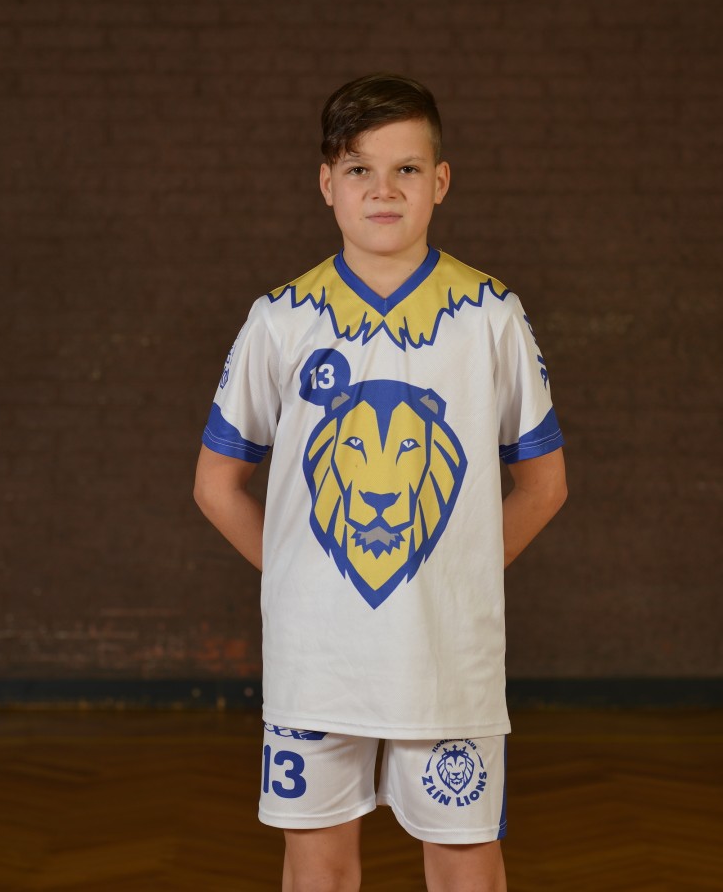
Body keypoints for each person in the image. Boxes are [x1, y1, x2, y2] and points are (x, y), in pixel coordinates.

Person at [194, 73, 567, 892]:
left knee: (465, 866)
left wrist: (459, 575)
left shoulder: (490, 316)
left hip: (448, 658)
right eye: (360, 169)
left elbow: (544, 485)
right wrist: (300, 580)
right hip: (316, 659)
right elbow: (216, 484)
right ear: (327, 183)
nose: (383, 189)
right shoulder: (280, 319)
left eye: (406, 169)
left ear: (441, 181)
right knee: (318, 869)